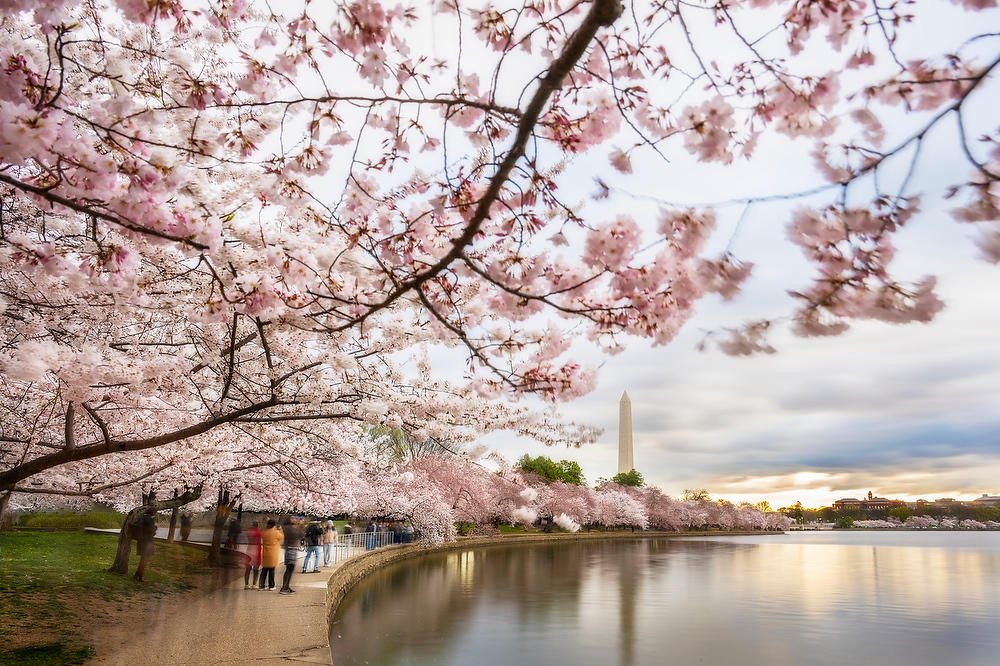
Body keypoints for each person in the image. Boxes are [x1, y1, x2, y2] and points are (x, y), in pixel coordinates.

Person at [279, 517, 303, 594]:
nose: (295, 520)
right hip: (291, 550)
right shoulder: (289, 528)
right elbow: (299, 534)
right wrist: (300, 526)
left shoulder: (287, 528)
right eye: (293, 518)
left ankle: (286, 586)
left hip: (291, 549)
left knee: (289, 569)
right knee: (289, 569)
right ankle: (284, 588)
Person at [133, 509, 157, 582]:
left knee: (142, 559)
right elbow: (151, 532)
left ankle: (137, 575)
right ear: (153, 513)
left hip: (141, 541)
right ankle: (140, 577)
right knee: (145, 560)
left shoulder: (140, 518)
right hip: (148, 542)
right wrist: (155, 527)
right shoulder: (150, 520)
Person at [259, 519, 283, 590]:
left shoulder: (264, 532)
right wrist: (280, 529)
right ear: (274, 525)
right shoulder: (275, 532)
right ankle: (271, 585)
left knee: (264, 569)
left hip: (265, 552)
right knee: (271, 569)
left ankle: (261, 585)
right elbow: (281, 537)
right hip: (273, 553)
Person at [244, 521, 263, 589]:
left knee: (248, 568)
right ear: (257, 526)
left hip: (249, 549)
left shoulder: (249, 532)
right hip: (256, 550)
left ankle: (246, 585)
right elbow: (259, 542)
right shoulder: (258, 532)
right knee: (256, 569)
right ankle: (254, 584)